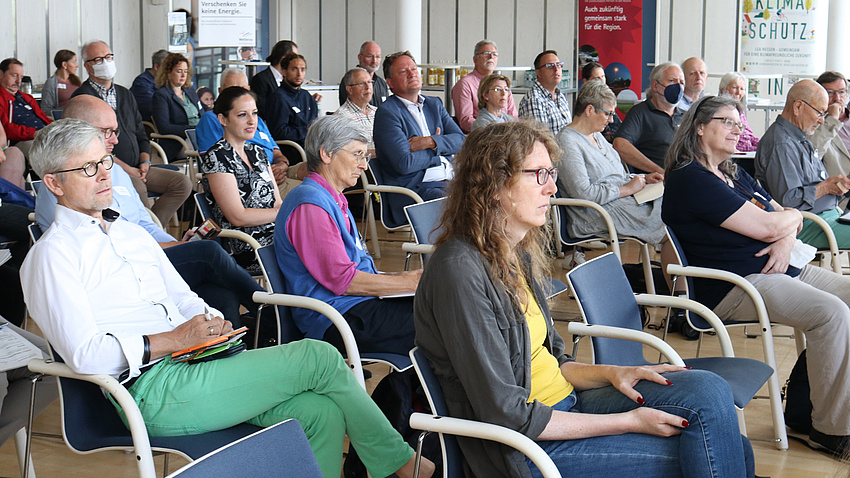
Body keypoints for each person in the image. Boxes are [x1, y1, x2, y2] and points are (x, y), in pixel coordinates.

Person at [20, 118, 434, 478]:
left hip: (201, 360)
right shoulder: (51, 258)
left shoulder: (130, 233)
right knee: (320, 358)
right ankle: (403, 464)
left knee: (319, 413)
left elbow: (183, 297)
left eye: (105, 161)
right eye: (88, 168)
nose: (105, 174)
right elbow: (86, 356)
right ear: (54, 182)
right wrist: (173, 340)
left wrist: (209, 321)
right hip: (151, 388)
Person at [415, 119, 755, 478]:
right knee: (720, 450)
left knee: (710, 392)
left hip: (566, 405)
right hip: (525, 447)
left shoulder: (516, 253)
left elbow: (553, 360)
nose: (552, 187)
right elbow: (507, 412)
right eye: (538, 174)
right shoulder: (459, 270)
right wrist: (627, 421)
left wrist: (615, 372)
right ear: (494, 184)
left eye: (552, 172)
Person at [663, 94, 850, 456]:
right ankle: (830, 429)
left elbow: (787, 213)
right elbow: (771, 224)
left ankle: (802, 409)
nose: (738, 129)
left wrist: (783, 238)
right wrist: (778, 231)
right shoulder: (691, 179)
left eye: (739, 122)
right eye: (727, 122)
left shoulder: (732, 172)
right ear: (700, 128)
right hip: (735, 285)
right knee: (832, 314)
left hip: (777, 268)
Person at [35, 95, 264, 328]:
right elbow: (100, 249)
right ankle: (272, 314)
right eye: (106, 132)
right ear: (77, 130)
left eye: (116, 131)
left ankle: (235, 346)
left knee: (221, 295)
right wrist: (173, 248)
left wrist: (176, 242)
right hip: (126, 274)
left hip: (150, 258)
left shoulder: (116, 172)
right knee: (209, 251)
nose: (114, 139)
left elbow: (145, 223)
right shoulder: (61, 189)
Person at [275, 115, 419, 355]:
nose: (364, 165)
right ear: (327, 154)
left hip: (356, 306)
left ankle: (406, 392)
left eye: (365, 156)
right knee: (443, 323)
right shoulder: (310, 205)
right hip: (336, 318)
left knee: (443, 311)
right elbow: (344, 280)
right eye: (357, 155)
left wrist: (407, 277)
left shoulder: (332, 197)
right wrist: (411, 282)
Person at [72, 40, 192, 226]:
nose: (106, 62)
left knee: (182, 183)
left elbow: (140, 132)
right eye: (98, 59)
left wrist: (145, 161)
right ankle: (146, 231)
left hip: (138, 167)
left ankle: (152, 230)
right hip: (108, 170)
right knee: (136, 187)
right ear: (87, 66)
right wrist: (130, 171)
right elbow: (91, 146)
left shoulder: (125, 94)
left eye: (109, 57)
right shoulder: (83, 98)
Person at [556, 80, 666, 248]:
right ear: (590, 110)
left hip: (618, 202)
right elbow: (584, 194)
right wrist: (628, 189)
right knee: (670, 220)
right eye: (607, 114)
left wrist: (643, 178)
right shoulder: (567, 141)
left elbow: (616, 176)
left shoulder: (596, 135)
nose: (611, 120)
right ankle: (679, 271)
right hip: (595, 213)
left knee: (673, 205)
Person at [755, 79, 850, 249]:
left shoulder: (798, 137)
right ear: (798, 107)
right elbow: (788, 201)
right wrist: (826, 187)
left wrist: (839, 186)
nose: (822, 120)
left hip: (827, 217)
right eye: (820, 113)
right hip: (808, 224)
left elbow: (814, 183)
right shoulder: (782, 144)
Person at [373, 51, 464, 225]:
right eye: (403, 71)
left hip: (449, 180)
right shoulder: (388, 113)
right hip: (416, 190)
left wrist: (430, 142)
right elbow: (405, 163)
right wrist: (439, 150)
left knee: (492, 193)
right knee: (464, 203)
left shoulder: (434, 104)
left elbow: (461, 141)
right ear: (390, 83)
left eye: (414, 68)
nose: (411, 73)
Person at [200, 87, 282, 273]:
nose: (252, 121)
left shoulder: (258, 153)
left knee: (324, 235)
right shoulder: (217, 157)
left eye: (254, 113)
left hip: (274, 234)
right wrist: (279, 213)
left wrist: (282, 213)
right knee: (313, 246)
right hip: (246, 244)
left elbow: (278, 202)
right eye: (242, 115)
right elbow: (238, 216)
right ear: (223, 119)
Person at [196, 68, 304, 194]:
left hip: (274, 171)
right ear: (220, 91)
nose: (238, 95)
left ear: (248, 90)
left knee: (314, 171)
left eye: (242, 89)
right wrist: (264, 175)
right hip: (252, 181)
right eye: (232, 90)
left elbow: (276, 151)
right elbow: (219, 164)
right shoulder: (213, 119)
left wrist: (283, 163)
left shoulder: (256, 120)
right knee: (311, 193)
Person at [613, 62, 684, 175]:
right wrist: (659, 171)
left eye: (682, 82)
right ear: (656, 86)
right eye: (672, 81)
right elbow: (620, 144)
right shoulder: (641, 113)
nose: (678, 86)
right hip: (659, 183)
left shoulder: (686, 117)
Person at [452, 40, 518, 133]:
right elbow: (465, 121)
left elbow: (513, 115)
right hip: (481, 136)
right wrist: (494, 131)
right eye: (486, 53)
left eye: (494, 54)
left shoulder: (502, 84)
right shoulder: (465, 84)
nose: (491, 57)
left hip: (507, 134)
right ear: (475, 59)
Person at [151, 52, 204, 160]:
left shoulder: (190, 91)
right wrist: (192, 130)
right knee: (213, 146)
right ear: (168, 73)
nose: (183, 75)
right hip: (179, 143)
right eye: (179, 71)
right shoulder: (161, 95)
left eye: (185, 71)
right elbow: (164, 127)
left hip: (199, 135)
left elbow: (202, 112)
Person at [263, 52, 318, 154]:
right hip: (293, 149)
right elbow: (279, 132)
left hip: (311, 146)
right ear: (284, 72)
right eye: (294, 69)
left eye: (303, 69)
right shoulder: (278, 98)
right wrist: (306, 131)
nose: (299, 74)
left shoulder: (307, 96)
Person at [0, 58, 51, 150]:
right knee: (44, 151)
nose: (18, 81)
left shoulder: (27, 98)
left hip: (44, 136)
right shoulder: (2, 99)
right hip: (22, 140)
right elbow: (4, 129)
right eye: (14, 76)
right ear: (0, 74)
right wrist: (34, 133)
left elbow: (44, 118)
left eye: (21, 77)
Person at [518, 50, 572, 135]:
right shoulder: (534, 100)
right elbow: (541, 139)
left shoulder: (560, 96)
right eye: (550, 66)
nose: (556, 69)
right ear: (538, 72)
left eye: (558, 65)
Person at [810, 71, 850, 177]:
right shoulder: (813, 124)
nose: (837, 99)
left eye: (842, 92)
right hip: (839, 189)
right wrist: (832, 119)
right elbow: (813, 156)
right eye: (830, 93)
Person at [335, 67, 377, 153]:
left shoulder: (377, 112)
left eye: (369, 82)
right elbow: (347, 152)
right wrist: (384, 152)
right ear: (350, 89)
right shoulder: (342, 117)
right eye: (362, 83)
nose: (368, 87)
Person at [250, 40, 298, 111]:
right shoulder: (260, 79)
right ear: (283, 59)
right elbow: (261, 109)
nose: (297, 62)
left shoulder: (290, 79)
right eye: (294, 58)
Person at [338, 41, 389, 108]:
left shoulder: (382, 83)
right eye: (370, 56)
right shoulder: (350, 80)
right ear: (360, 57)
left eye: (378, 57)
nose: (374, 61)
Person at [718, 72, 759, 152]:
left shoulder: (738, 109)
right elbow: (738, 144)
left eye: (742, 89)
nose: (739, 93)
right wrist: (759, 149)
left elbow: (749, 136)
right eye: (735, 88)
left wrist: (764, 145)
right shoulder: (721, 109)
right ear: (723, 89)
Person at [580, 62, 621, 142]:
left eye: (603, 76)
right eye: (597, 78)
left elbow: (617, 124)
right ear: (586, 81)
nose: (602, 81)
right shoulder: (585, 102)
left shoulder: (607, 99)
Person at [130, 49, 169, 121]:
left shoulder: (168, 81)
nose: (170, 72)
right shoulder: (141, 83)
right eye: (167, 69)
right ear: (156, 67)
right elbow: (154, 108)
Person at [40, 49, 81, 115]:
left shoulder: (76, 81)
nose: (77, 65)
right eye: (74, 62)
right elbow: (45, 109)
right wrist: (66, 110)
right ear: (64, 64)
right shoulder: (51, 83)